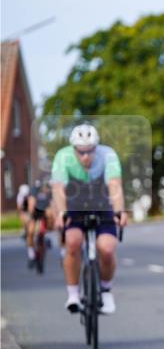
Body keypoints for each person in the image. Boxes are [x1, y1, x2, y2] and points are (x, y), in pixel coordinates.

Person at [50, 123, 128, 315]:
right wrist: (61, 212)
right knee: (73, 242)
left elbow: (114, 184)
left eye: (90, 151)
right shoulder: (63, 156)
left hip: (102, 205)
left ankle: (106, 290)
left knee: (107, 249)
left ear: (96, 147)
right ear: (74, 149)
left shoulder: (107, 155)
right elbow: (58, 188)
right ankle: (73, 294)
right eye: (81, 152)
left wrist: (120, 210)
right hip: (74, 206)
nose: (86, 156)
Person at [25, 179, 54, 266]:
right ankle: (31, 255)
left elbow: (52, 205)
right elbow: (31, 204)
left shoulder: (49, 192)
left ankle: (47, 238)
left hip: (45, 212)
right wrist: (31, 215)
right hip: (35, 212)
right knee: (30, 232)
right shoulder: (34, 191)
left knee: (50, 217)